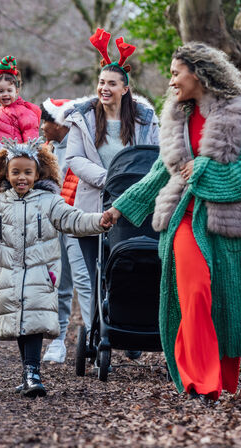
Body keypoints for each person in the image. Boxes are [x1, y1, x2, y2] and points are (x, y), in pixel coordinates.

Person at [103, 42, 241, 405]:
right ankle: (200, 383)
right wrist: (119, 208)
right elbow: (162, 171)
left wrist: (206, 171)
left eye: (177, 72)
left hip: (228, 223)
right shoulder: (176, 115)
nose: (172, 80)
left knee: (223, 302)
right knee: (194, 295)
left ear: (199, 73)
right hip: (184, 217)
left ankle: (217, 375)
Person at [0, 139, 112, 397]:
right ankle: (28, 372)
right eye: (15, 172)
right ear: (5, 173)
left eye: (27, 172)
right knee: (21, 324)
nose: (21, 178)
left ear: (38, 173)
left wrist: (99, 221)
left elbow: (74, 219)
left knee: (32, 321)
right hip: (10, 274)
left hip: (40, 273)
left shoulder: (49, 201)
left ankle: (33, 372)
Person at [65, 29, 160, 298]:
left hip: (132, 207)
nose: (104, 88)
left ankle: (129, 319)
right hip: (92, 204)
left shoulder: (145, 120)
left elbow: (154, 157)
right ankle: (97, 326)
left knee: (130, 270)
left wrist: (129, 187)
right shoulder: (82, 118)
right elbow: (74, 158)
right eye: (102, 82)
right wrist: (109, 179)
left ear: (125, 89)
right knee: (96, 274)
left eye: (112, 84)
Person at [39, 98, 93, 363]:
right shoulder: (46, 149)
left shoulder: (82, 145)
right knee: (58, 282)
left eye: (45, 121)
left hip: (76, 220)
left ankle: (94, 338)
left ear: (59, 122)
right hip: (53, 223)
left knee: (84, 280)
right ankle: (57, 340)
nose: (42, 126)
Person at [0, 56, 41, 143]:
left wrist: (26, 153)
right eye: (1, 91)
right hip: (0, 154)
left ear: (16, 91)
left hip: (18, 154)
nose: (5, 94)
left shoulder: (24, 112)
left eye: (9, 90)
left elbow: (31, 137)